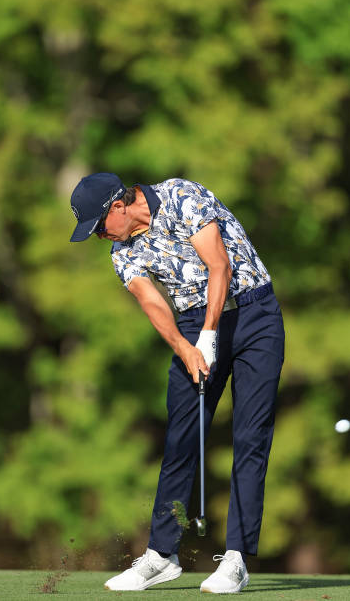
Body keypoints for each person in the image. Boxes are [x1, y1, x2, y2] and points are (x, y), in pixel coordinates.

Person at [69, 172, 285, 594]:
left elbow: (219, 266)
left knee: (249, 436)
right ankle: (162, 554)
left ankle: (237, 558)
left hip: (254, 316)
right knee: (181, 439)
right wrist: (187, 348)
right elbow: (152, 303)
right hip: (190, 323)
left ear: (118, 206)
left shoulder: (182, 196)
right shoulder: (120, 251)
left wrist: (208, 336)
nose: (98, 236)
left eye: (98, 226)